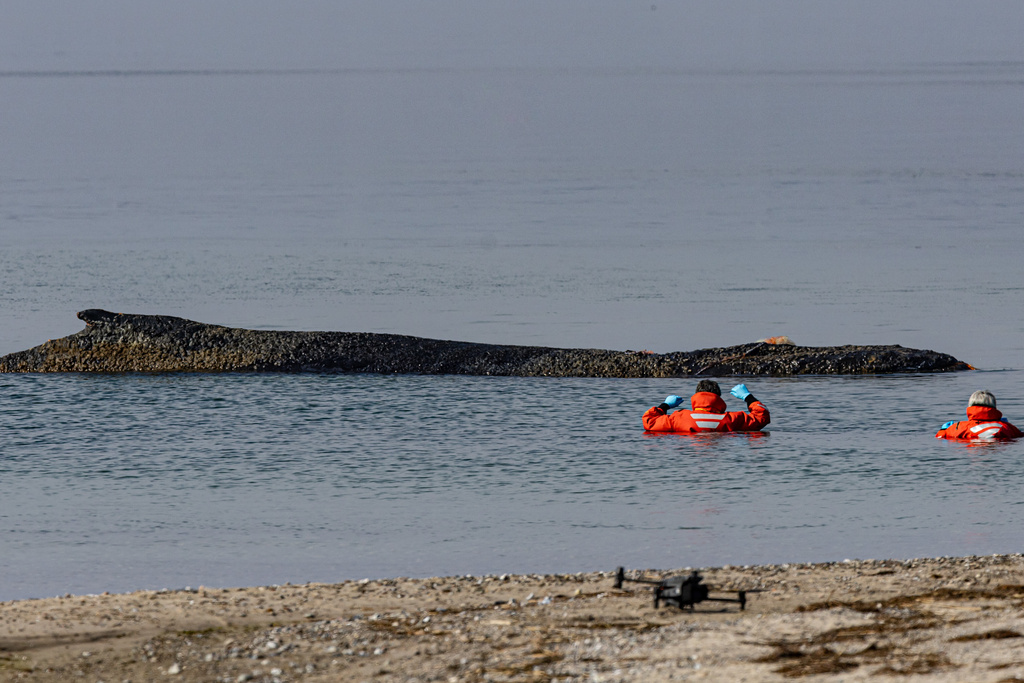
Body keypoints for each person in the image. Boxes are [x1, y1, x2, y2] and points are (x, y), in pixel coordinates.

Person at [643, 379, 770, 433]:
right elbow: (762, 417)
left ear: (696, 397)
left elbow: (649, 422)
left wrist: (665, 406)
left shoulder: (679, 418)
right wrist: (748, 397)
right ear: (719, 398)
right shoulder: (732, 419)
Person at [935, 390, 1023, 440]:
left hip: (971, 449)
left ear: (970, 406)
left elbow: (939, 437)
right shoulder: (1007, 427)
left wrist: (943, 429)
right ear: (994, 406)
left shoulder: (958, 427)